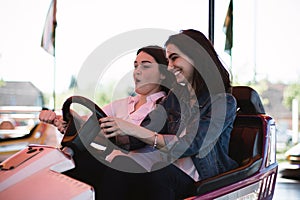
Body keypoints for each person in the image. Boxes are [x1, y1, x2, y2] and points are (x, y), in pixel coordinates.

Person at [99, 29, 238, 199]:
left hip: (202, 183)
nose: (170, 67)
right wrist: (111, 132)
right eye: (168, 61)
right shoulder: (174, 99)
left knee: (158, 173)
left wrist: (133, 129)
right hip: (168, 174)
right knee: (120, 165)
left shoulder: (223, 102)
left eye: (174, 58)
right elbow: (138, 138)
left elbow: (191, 145)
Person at [38, 45, 175, 199]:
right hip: (111, 167)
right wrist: (59, 118)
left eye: (145, 66)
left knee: (118, 162)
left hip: (143, 176)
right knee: (73, 161)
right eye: (135, 66)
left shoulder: (166, 107)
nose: (137, 71)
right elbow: (87, 123)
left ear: (163, 74)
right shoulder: (122, 104)